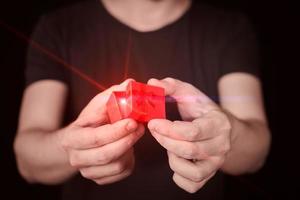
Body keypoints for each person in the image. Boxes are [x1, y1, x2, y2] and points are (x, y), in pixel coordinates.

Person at [13, 0, 271, 199]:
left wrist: (228, 133)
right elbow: (27, 162)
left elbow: (256, 153)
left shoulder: (229, 28)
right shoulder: (58, 27)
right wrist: (71, 146)